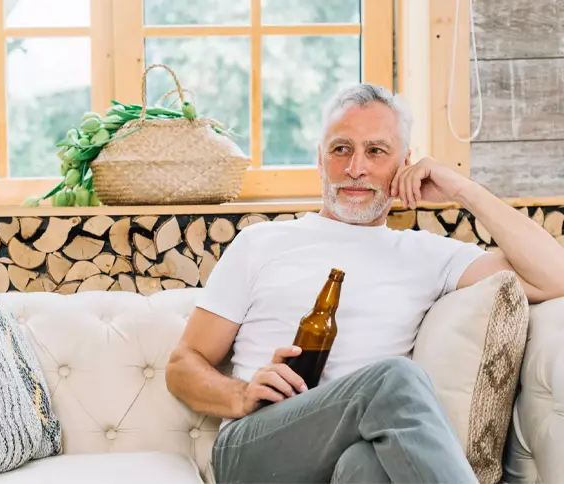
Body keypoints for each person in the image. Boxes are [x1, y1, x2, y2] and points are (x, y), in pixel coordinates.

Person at [164, 83, 564, 484]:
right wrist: (241, 393)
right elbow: (183, 365)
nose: (356, 167)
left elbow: (554, 276)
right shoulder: (260, 243)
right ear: (320, 161)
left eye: (376, 151)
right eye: (341, 149)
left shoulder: (428, 255)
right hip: (258, 444)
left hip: (360, 448)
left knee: (368, 466)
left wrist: (462, 188)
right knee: (394, 378)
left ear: (405, 164)